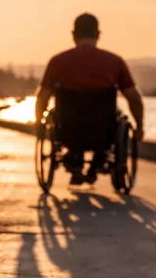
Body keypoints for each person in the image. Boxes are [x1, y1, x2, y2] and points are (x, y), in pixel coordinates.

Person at [35, 13, 144, 186]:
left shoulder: (57, 62)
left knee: (58, 113)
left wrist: (38, 122)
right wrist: (139, 127)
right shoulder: (115, 62)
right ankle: (98, 161)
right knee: (117, 116)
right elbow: (134, 99)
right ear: (98, 34)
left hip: (67, 130)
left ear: (73, 35)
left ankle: (75, 159)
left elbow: (43, 97)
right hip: (103, 131)